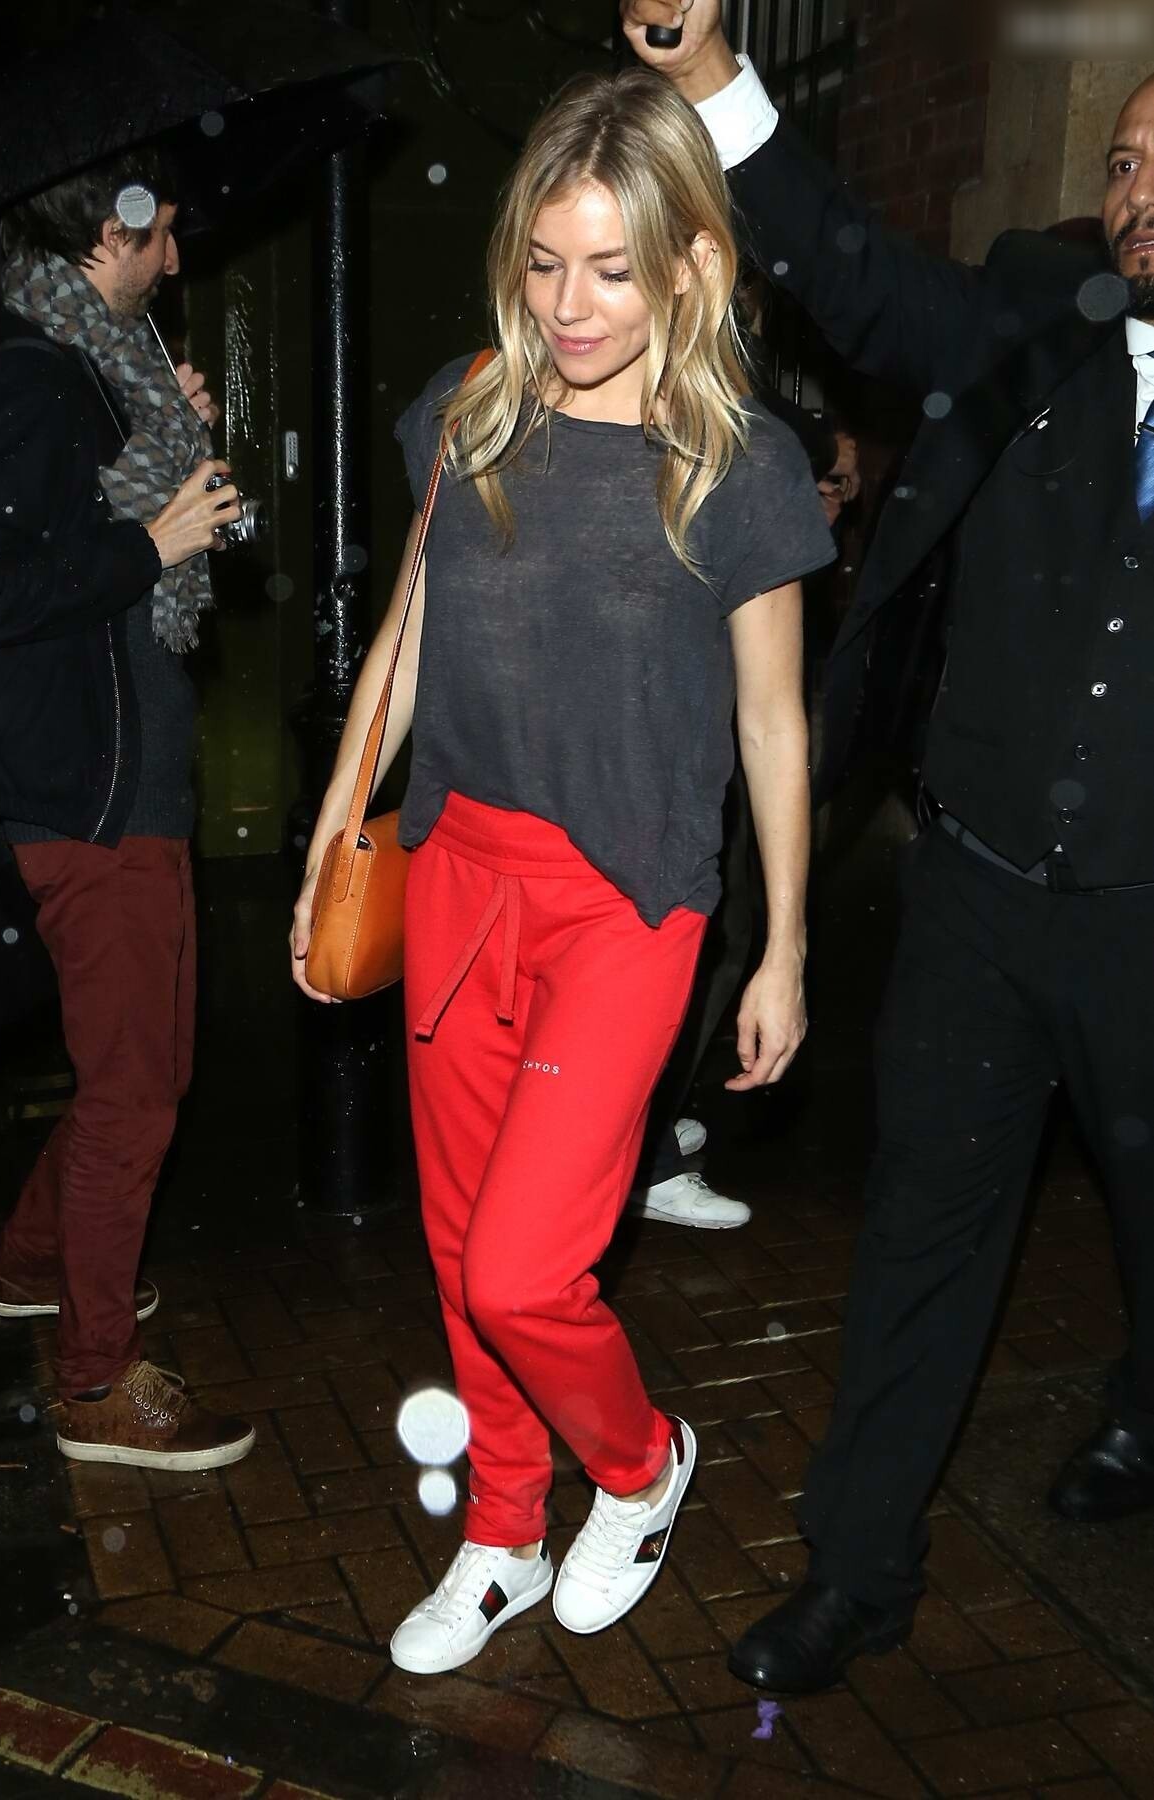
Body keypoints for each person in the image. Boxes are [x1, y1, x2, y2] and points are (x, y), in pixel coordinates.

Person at [627, 0, 1154, 1694]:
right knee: (923, 1245)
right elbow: (854, 277)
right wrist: (710, 77)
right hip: (979, 904)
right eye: (1123, 165)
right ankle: (856, 1571)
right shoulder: (1035, 314)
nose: (1137, 196)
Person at [291, 66, 833, 1674]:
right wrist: (334, 830)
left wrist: (784, 947)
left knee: (527, 1266)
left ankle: (641, 1464)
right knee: (461, 1249)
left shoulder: (740, 463)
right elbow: (405, 640)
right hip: (459, 870)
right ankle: (502, 1531)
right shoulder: (470, 413)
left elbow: (773, 723)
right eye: (542, 263)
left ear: (690, 263)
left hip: (628, 900)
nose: (568, 305)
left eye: (609, 268)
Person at [0, 148, 256, 1472]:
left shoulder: (94, 375)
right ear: (114, 228)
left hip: (127, 783)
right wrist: (147, 543)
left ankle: (29, 1268)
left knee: (141, 1076)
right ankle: (92, 1382)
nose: (176, 257)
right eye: (164, 231)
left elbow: (84, 530)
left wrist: (161, 431)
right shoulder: (33, 377)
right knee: (134, 1092)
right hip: (87, 796)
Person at [630, 392, 842, 1232]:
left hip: (705, 760)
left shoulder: (736, 447)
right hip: (652, 777)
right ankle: (639, 1154)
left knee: (724, 935)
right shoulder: (714, 441)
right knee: (691, 944)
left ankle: (645, 1131)